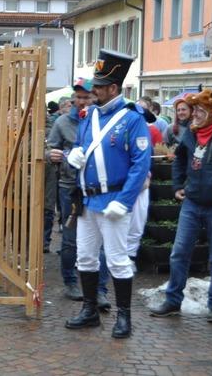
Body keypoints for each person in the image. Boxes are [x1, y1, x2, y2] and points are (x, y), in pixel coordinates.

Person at [64, 49, 151, 339]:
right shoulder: (89, 116)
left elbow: (141, 165)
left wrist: (124, 202)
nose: (93, 92)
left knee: (117, 260)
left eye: (98, 87)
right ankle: (90, 311)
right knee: (86, 258)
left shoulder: (133, 118)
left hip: (114, 200)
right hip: (88, 201)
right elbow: (79, 143)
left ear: (113, 88)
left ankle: (124, 317)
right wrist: (72, 155)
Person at [149, 87, 212, 324]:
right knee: (179, 253)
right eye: (195, 111)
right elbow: (180, 159)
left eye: (200, 110)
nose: (195, 115)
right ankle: (172, 301)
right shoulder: (191, 133)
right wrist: (177, 185)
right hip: (191, 202)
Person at [46, 78, 94, 302]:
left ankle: (98, 289)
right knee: (70, 237)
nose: (82, 101)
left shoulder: (100, 121)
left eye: (86, 97)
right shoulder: (62, 122)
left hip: (95, 187)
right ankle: (71, 282)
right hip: (69, 186)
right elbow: (50, 149)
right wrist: (51, 155)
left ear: (94, 98)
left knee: (97, 238)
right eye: (79, 97)